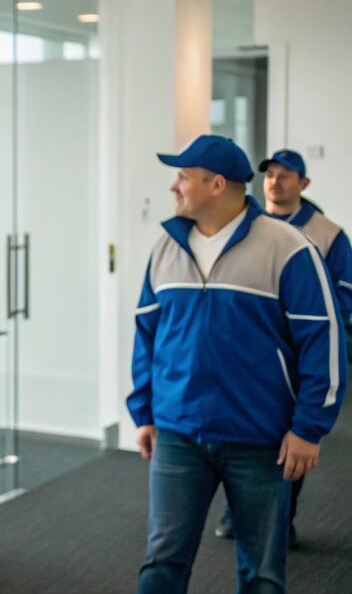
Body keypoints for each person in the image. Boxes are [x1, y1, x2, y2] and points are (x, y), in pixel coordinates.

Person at [127, 135, 346, 593]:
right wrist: (143, 411)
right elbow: (147, 334)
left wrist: (309, 427)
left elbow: (323, 340)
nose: (174, 187)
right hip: (178, 432)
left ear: (217, 184)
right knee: (161, 564)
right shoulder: (166, 248)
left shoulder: (288, 247)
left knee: (262, 574)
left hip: (260, 437)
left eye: (184, 176)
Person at [214, 148, 352, 546]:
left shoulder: (328, 234)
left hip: (299, 354)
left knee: (290, 434)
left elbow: (343, 295)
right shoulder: (244, 226)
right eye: (270, 174)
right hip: (248, 353)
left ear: (304, 184)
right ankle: (233, 508)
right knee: (239, 430)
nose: (275, 181)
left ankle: (282, 516)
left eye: (286, 175)